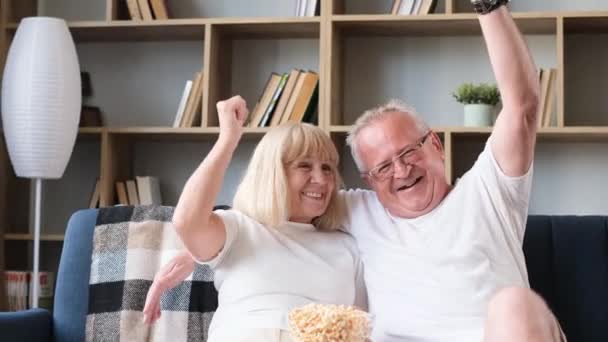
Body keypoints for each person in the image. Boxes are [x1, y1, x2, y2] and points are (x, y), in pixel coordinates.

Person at [146, 1, 565, 341]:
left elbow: (523, 107)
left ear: (435, 144)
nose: (401, 171)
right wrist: (200, 246)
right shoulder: (359, 210)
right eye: (382, 167)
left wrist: (488, 6)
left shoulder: (489, 191)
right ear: (369, 181)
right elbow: (280, 203)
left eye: (410, 151)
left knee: (515, 304)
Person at [142, 95, 366, 342]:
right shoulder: (238, 228)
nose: (322, 180)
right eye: (304, 166)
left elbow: (361, 328)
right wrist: (227, 140)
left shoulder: (348, 246)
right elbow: (187, 222)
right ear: (274, 174)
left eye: (327, 168)